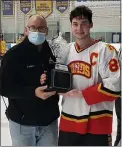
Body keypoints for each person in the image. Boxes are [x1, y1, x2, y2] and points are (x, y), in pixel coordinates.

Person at [40, 6, 121, 146]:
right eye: (75, 24)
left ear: (91, 25)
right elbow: (58, 79)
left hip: (98, 124)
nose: (79, 28)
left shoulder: (106, 51)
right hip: (68, 122)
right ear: (71, 26)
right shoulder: (65, 51)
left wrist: (83, 94)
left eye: (84, 23)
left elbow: (115, 86)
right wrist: (47, 79)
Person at [0, 14, 60, 146]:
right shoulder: (12, 56)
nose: (37, 32)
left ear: (46, 31)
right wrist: (33, 92)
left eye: (41, 28)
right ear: (26, 30)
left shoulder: (53, 53)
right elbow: (3, 87)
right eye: (33, 28)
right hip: (22, 125)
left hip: (48, 123)